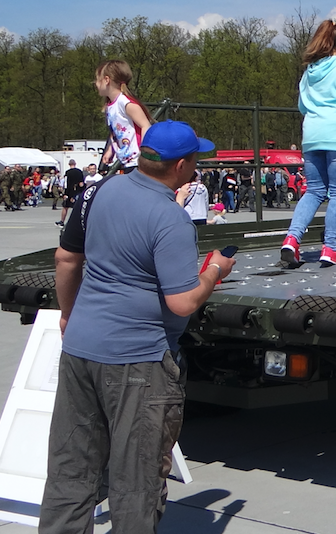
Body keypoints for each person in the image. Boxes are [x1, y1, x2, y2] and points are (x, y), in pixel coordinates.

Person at [40, 120, 235, 534]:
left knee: (71, 471)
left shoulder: (99, 190)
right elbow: (181, 301)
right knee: (136, 482)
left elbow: (66, 260)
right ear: (181, 166)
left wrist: (68, 314)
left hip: (80, 350)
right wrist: (215, 270)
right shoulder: (171, 219)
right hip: (138, 362)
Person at [280, 20, 336, 266]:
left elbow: (302, 106)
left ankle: (292, 239)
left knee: (314, 191)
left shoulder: (310, 70)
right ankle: (331, 248)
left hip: (312, 136)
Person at [95, 60, 153, 172]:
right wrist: (110, 150)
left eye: (98, 80)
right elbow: (116, 132)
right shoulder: (110, 106)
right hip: (126, 161)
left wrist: (144, 152)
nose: (96, 84)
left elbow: (145, 125)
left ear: (107, 80)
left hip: (137, 161)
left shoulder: (125, 102)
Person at [56, 159, 85, 227]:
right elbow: (81, 184)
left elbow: (66, 184)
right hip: (77, 192)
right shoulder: (79, 172)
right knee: (77, 207)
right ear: (75, 164)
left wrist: (65, 193)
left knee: (65, 207)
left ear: (69, 164)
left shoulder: (68, 172)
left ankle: (62, 221)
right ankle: (79, 222)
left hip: (69, 191)